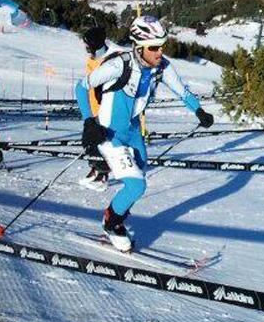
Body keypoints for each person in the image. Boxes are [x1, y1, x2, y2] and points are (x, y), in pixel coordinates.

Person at [75, 15, 214, 251]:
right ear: (139, 47)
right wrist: (89, 122)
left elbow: (182, 91)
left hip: (132, 131)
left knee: (140, 173)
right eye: (154, 47)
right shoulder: (120, 64)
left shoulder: (162, 67)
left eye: (161, 46)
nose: (159, 52)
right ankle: (112, 223)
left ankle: (113, 212)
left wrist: (199, 111)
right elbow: (81, 87)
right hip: (110, 134)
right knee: (136, 186)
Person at [78, 26, 112, 191]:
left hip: (103, 108)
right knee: (90, 142)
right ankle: (94, 168)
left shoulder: (107, 61)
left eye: (88, 44)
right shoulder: (91, 60)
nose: (85, 48)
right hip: (92, 106)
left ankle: (103, 174)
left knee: (101, 142)